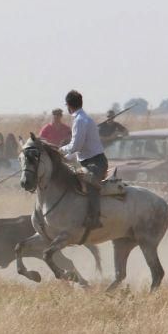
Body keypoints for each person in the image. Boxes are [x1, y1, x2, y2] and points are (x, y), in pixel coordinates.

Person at [60, 90, 108, 230]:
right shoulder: (84, 119)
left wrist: (60, 150)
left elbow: (76, 146)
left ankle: (94, 218)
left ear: (69, 105)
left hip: (95, 163)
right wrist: (66, 157)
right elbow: (79, 149)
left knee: (89, 180)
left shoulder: (80, 120)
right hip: (90, 161)